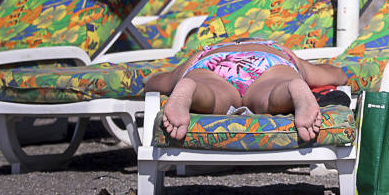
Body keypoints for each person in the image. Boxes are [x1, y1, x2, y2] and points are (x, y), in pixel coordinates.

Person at [145, 37, 347, 141]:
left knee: (214, 97)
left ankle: (192, 89)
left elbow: (156, 83)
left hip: (213, 62)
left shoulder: (204, 52)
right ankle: (290, 88)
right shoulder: (275, 48)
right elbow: (335, 75)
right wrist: (335, 74)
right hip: (268, 61)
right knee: (269, 96)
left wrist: (165, 81)